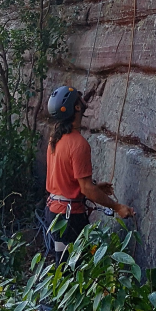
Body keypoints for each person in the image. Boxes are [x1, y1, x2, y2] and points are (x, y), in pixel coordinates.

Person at [45, 85, 134, 262]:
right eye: (79, 98)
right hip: (69, 218)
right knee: (75, 268)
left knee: (63, 265)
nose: (83, 99)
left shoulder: (55, 139)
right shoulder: (78, 144)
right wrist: (117, 207)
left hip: (54, 213)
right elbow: (86, 189)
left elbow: (64, 181)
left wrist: (95, 188)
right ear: (77, 107)